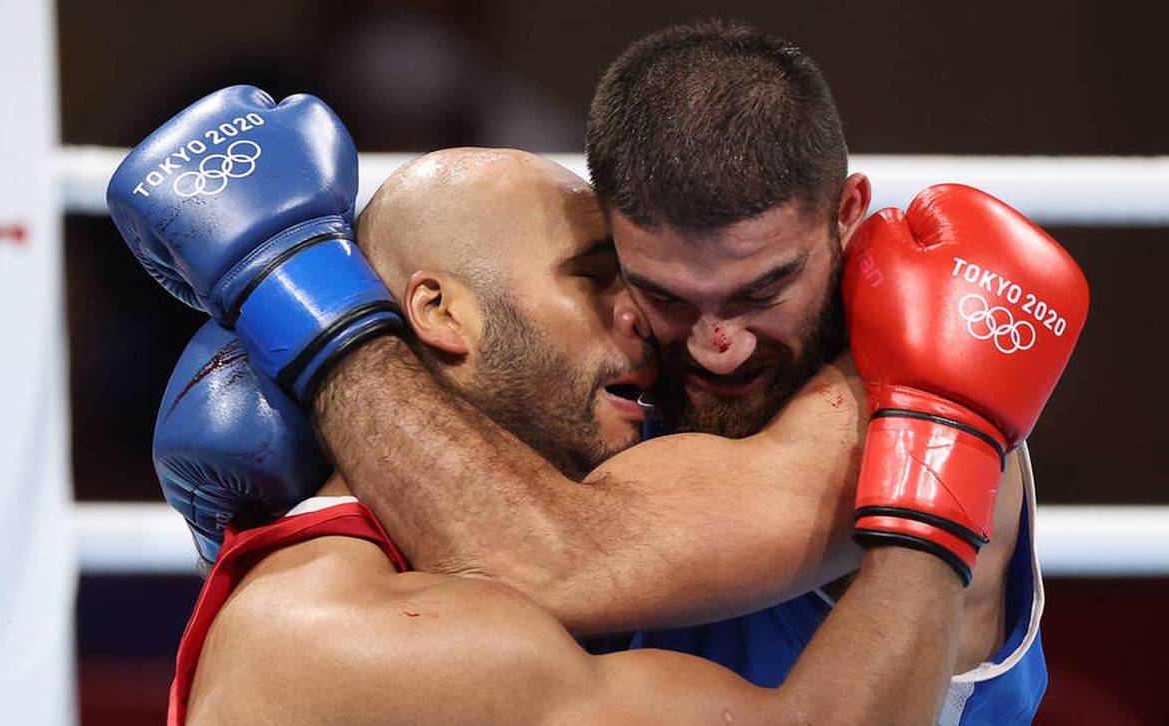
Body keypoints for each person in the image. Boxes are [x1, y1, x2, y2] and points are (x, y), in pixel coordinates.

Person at [107, 22, 1088, 726]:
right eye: (628, 284)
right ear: (438, 312)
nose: (715, 344)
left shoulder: (882, 398)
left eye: (765, 289)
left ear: (844, 215)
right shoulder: (334, 619)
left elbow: (558, 557)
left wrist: (298, 304)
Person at [161, 148, 971, 725]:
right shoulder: (340, 625)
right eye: (591, 277)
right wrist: (949, 432)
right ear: (441, 311)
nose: (640, 317)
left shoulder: (400, 576)